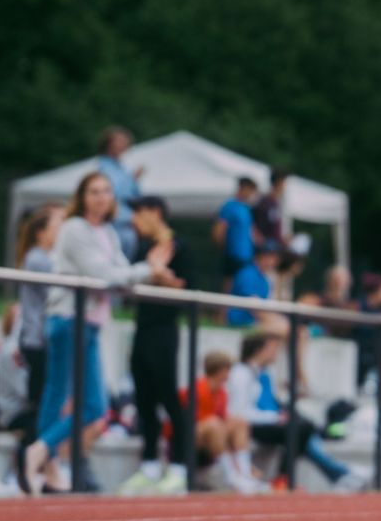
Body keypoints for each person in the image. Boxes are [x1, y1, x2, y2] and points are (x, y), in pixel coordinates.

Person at [23, 172, 174, 495]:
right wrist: (149, 270)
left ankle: (43, 459)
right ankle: (41, 454)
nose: (101, 197)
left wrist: (152, 271)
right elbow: (106, 276)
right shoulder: (75, 229)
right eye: (94, 191)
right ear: (82, 196)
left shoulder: (107, 232)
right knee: (77, 401)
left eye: (106, 191)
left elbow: (123, 276)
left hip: (89, 321)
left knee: (75, 400)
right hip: (68, 317)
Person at [227, 332, 363, 492]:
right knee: (301, 429)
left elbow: (271, 401)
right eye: (272, 348)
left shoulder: (266, 373)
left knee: (306, 426)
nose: (276, 352)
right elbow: (240, 412)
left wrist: (282, 414)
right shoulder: (241, 373)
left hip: (270, 420)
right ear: (259, 349)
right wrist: (274, 417)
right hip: (252, 424)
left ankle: (333, 473)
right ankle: (335, 473)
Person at [119, 197, 190, 496]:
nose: (134, 219)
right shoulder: (141, 248)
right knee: (144, 397)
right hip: (142, 328)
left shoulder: (181, 246)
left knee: (169, 397)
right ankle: (149, 464)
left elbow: (189, 288)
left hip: (165, 329)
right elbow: (130, 287)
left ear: (156, 213)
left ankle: (178, 467)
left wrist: (163, 277)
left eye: (139, 212)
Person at [12, 205, 61, 489]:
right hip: (38, 341)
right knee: (40, 406)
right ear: (42, 232)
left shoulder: (41, 257)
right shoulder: (38, 259)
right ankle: (26, 468)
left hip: (40, 340)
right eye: (58, 225)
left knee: (45, 405)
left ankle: (39, 467)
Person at [191, 351, 261, 494]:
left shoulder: (221, 393)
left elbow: (224, 417)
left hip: (213, 432)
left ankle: (245, 471)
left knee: (239, 422)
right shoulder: (199, 389)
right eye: (228, 370)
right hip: (196, 435)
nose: (230, 374)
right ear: (220, 371)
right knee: (215, 424)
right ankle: (231, 476)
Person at [95, 127, 144, 258]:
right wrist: (132, 178)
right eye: (119, 141)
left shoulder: (122, 168)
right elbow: (113, 191)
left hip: (127, 223)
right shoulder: (103, 167)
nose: (124, 144)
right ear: (109, 143)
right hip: (114, 222)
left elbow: (136, 195)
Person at [213, 176, 260, 284]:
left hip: (246, 257)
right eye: (251, 190)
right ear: (243, 188)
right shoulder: (229, 206)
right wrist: (226, 249)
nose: (251, 194)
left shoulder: (246, 209)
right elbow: (218, 231)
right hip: (232, 256)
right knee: (229, 285)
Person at [252, 169, 292, 257]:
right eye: (284, 183)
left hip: (275, 244)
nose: (285, 187)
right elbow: (253, 221)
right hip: (266, 246)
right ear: (279, 182)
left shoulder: (276, 202)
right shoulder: (265, 201)